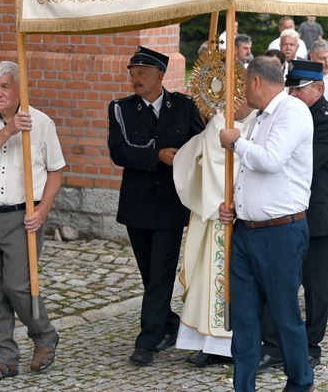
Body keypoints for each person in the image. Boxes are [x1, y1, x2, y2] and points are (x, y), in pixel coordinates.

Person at [218, 56, 315, 392]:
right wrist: (235, 204)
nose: (243, 92)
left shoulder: (292, 111)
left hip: (281, 231)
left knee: (284, 314)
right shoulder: (260, 117)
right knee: (244, 318)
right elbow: (250, 173)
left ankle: (300, 382)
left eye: (245, 84)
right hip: (247, 231)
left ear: (257, 81)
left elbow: (271, 161)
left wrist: (234, 141)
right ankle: (243, 386)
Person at [0, 61, 65, 383]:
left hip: (24, 218)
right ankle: (5, 356)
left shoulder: (42, 123)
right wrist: (8, 130)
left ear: (19, 88)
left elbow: (56, 170)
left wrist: (43, 210)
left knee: (18, 285)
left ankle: (44, 335)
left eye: (4, 87)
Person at [108, 46, 205, 366]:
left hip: (170, 204)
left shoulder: (183, 105)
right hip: (137, 205)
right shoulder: (120, 109)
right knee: (150, 273)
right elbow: (119, 152)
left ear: (160, 76)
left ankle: (147, 340)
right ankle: (168, 323)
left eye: (141, 73)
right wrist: (158, 156)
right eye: (132, 73)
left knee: (162, 274)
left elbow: (199, 143)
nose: (134, 79)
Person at [258, 60, 328, 371]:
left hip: (321, 216)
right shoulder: (291, 115)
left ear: (319, 89)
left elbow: (296, 162)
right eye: (290, 88)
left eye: (299, 89)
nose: (292, 94)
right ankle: (273, 346)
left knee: (316, 287)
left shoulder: (324, 121)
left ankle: (311, 345)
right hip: (293, 212)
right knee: (280, 281)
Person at [173, 99, 257, 367]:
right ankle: (211, 344)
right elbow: (203, 164)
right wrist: (217, 202)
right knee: (212, 280)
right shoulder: (217, 125)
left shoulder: (262, 123)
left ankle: (246, 342)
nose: (241, 103)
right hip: (218, 218)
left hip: (251, 215)